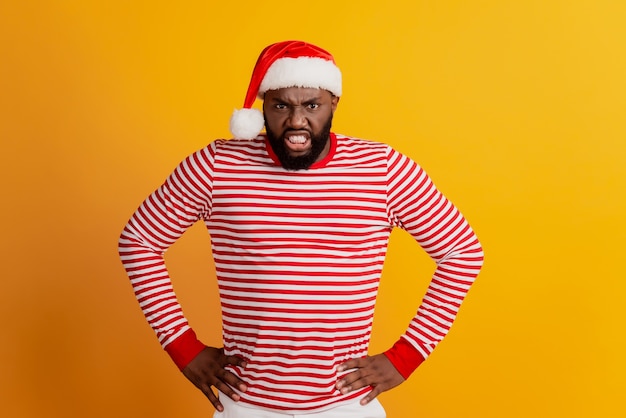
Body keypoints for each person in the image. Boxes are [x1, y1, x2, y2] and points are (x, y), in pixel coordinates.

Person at [118, 40, 484, 418]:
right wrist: (183, 347)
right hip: (245, 405)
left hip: (345, 405)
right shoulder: (217, 167)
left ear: (333, 103)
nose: (296, 121)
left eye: (312, 105)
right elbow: (139, 240)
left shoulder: (383, 169)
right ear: (262, 107)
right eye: (281, 106)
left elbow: (463, 251)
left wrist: (405, 357)